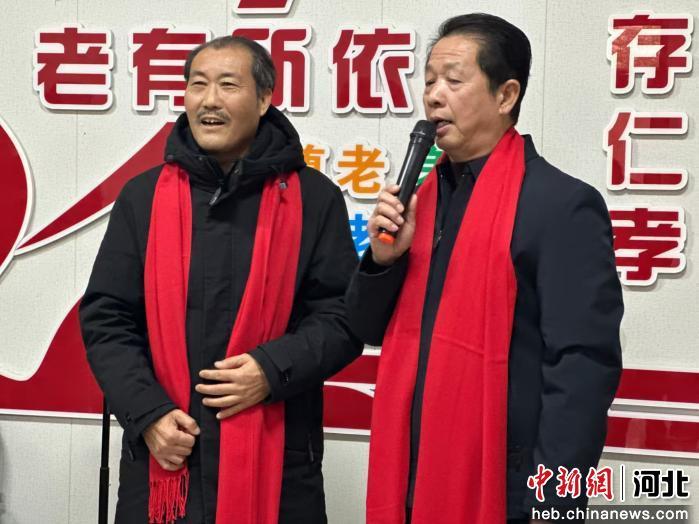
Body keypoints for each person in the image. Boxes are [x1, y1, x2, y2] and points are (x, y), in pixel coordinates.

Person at [345, 13, 623, 524]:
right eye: (429, 80)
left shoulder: (560, 205)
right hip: (411, 477)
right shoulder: (418, 200)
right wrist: (382, 261)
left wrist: (553, 504)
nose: (433, 97)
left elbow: (582, 367)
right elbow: (364, 328)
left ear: (506, 95)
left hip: (507, 486)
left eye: (453, 80)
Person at [80, 36, 361, 524]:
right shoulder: (142, 198)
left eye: (228, 85)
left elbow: (342, 317)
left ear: (264, 98)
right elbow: (107, 318)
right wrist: (147, 414)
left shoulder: (314, 199)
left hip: (279, 464)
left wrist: (271, 370)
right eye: (198, 85)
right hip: (167, 458)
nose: (209, 100)